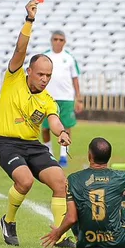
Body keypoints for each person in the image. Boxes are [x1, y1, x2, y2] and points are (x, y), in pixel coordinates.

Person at [0, 0, 74, 248]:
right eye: (41, 74)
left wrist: (61, 133)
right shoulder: (14, 78)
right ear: (29, 71)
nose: (45, 79)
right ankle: (9, 220)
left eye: (49, 75)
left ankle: (59, 234)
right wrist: (29, 20)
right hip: (6, 143)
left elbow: (54, 119)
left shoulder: (48, 99)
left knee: (60, 181)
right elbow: (20, 50)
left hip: (31, 145)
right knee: (25, 181)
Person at [41, 137, 125, 248]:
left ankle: (80, 237)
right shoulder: (121, 177)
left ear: (89, 156)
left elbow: (71, 218)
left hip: (85, 243)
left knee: (74, 202)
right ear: (109, 157)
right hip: (118, 242)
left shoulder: (73, 179)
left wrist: (58, 233)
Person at [41, 30, 83, 167]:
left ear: (64, 42)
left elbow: (75, 78)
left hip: (66, 98)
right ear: (51, 40)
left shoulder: (69, 58)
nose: (58, 42)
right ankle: (49, 153)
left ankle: (64, 155)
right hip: (48, 97)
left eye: (61, 39)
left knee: (66, 127)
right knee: (46, 127)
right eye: (55, 39)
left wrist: (79, 98)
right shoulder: (45, 56)